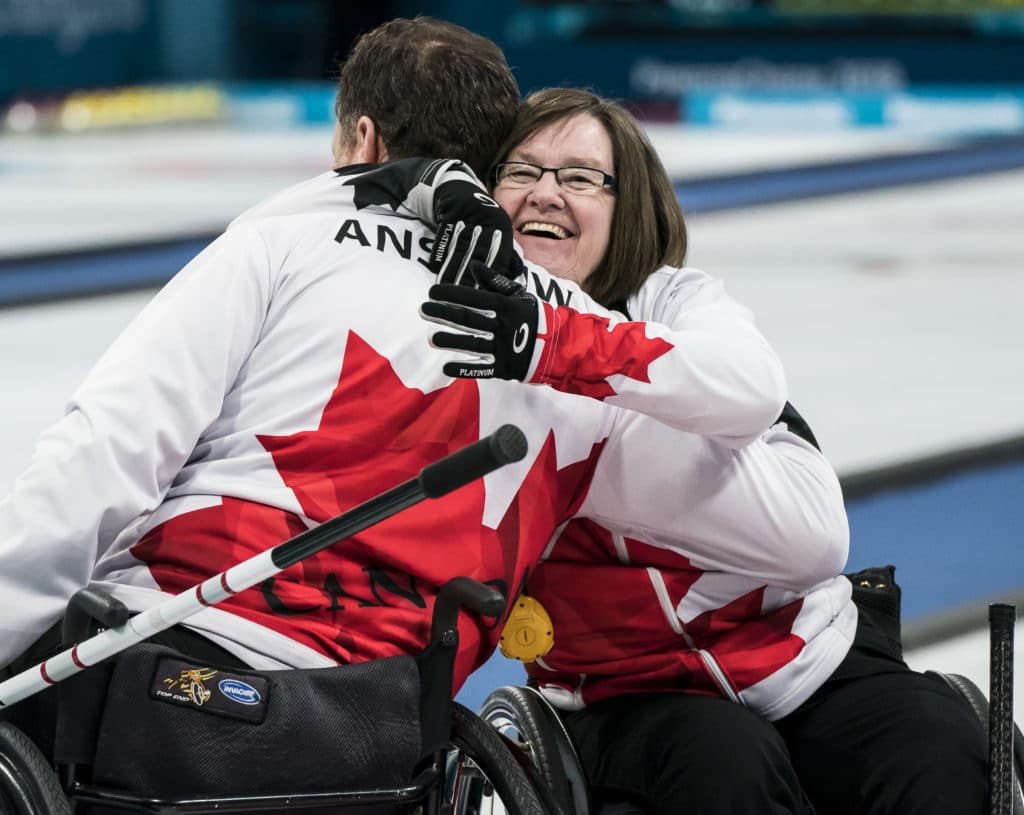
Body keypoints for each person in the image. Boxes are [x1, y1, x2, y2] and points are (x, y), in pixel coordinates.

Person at [0, 18, 806, 780]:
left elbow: (102, 456)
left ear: (363, 139)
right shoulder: (576, 346)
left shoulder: (288, 236)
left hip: (177, 680)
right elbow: (803, 530)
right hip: (383, 729)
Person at [418, 87, 989, 814]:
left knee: (936, 746)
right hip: (626, 695)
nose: (546, 193)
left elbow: (763, 421)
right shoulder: (464, 356)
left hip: (809, 658)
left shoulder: (676, 302)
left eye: (581, 176)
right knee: (723, 760)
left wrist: (559, 342)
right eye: (521, 170)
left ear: (628, 208)